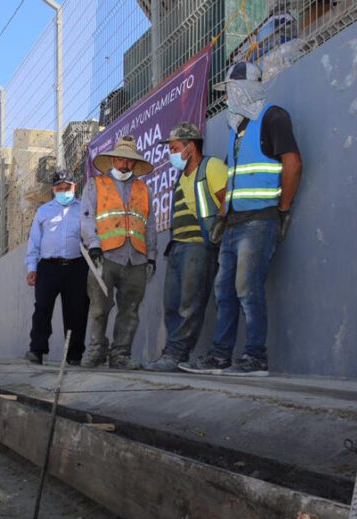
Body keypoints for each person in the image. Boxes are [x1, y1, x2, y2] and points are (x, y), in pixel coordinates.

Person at [181, 61, 302, 377]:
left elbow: (293, 163)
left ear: (249, 87)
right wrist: (222, 217)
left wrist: (283, 209)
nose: (228, 97)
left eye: (233, 89)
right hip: (234, 224)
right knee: (225, 292)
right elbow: (233, 180)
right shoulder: (237, 128)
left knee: (247, 289)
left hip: (260, 220)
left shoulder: (273, 117)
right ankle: (221, 356)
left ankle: (255, 358)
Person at [144, 122, 228, 372]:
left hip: (199, 246)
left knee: (189, 304)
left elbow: (227, 199)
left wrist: (218, 229)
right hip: (178, 246)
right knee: (171, 303)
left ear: (190, 147)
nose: (171, 153)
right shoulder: (181, 177)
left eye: (174, 148)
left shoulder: (211, 167)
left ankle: (176, 353)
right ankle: (174, 352)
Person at [80, 135, 158, 370]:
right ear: (113, 159)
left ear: (135, 163)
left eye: (130, 161)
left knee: (130, 309)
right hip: (105, 255)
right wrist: (93, 244)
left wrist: (151, 255)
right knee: (99, 307)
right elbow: (86, 216)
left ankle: (120, 354)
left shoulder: (143, 188)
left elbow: (150, 224)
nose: (125, 164)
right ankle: (96, 350)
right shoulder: (96, 184)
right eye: (121, 159)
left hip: (136, 257)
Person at [24, 169, 87, 365]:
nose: (63, 191)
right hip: (48, 267)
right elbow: (34, 242)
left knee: (77, 312)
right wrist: (31, 267)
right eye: (59, 188)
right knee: (42, 309)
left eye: (66, 187)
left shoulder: (84, 209)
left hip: (76, 266)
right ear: (53, 189)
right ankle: (37, 350)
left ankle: (74, 355)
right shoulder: (44, 211)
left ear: (74, 187)